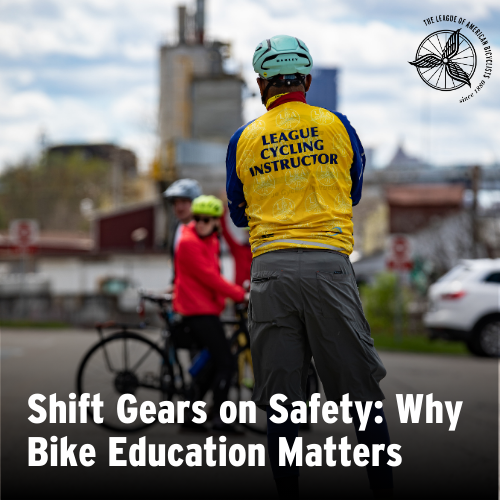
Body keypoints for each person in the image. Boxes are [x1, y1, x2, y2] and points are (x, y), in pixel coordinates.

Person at [226, 35, 393, 499]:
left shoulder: (243, 138)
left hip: (270, 273)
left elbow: (238, 214)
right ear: (307, 80)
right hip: (329, 268)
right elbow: (353, 192)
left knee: (281, 401)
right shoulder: (337, 125)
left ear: (262, 85)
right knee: (361, 394)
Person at [173, 195, 248, 432]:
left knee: (212, 364)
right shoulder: (188, 242)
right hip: (197, 311)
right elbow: (210, 277)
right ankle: (219, 418)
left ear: (216, 221)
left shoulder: (211, 240)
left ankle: (191, 415)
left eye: (206, 219)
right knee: (226, 362)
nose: (200, 223)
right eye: (197, 218)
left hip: (208, 310)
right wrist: (239, 294)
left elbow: (214, 275)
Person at [163, 178, 202, 258]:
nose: (179, 207)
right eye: (175, 203)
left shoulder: (203, 229)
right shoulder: (177, 225)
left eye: (184, 201)